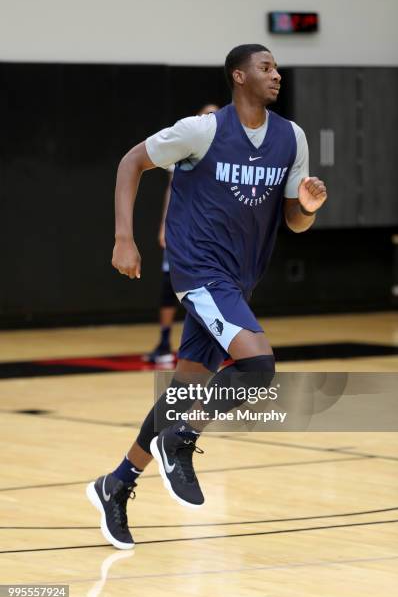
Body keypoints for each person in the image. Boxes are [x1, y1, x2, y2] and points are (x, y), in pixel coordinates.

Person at [86, 44, 327, 550]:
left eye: (277, 68)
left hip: (239, 280)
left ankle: (117, 483)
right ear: (239, 77)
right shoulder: (204, 130)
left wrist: (306, 208)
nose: (276, 75)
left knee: (184, 390)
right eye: (266, 68)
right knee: (258, 367)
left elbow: (294, 222)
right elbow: (132, 161)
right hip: (200, 271)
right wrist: (124, 238)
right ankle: (181, 441)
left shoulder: (291, 138)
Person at [144, 104, 219, 364]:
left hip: (211, 235)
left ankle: (217, 343)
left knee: (211, 291)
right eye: (204, 115)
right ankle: (164, 341)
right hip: (182, 230)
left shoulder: (227, 152)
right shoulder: (185, 147)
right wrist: (164, 224)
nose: (208, 119)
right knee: (170, 286)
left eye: (213, 115)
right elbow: (170, 188)